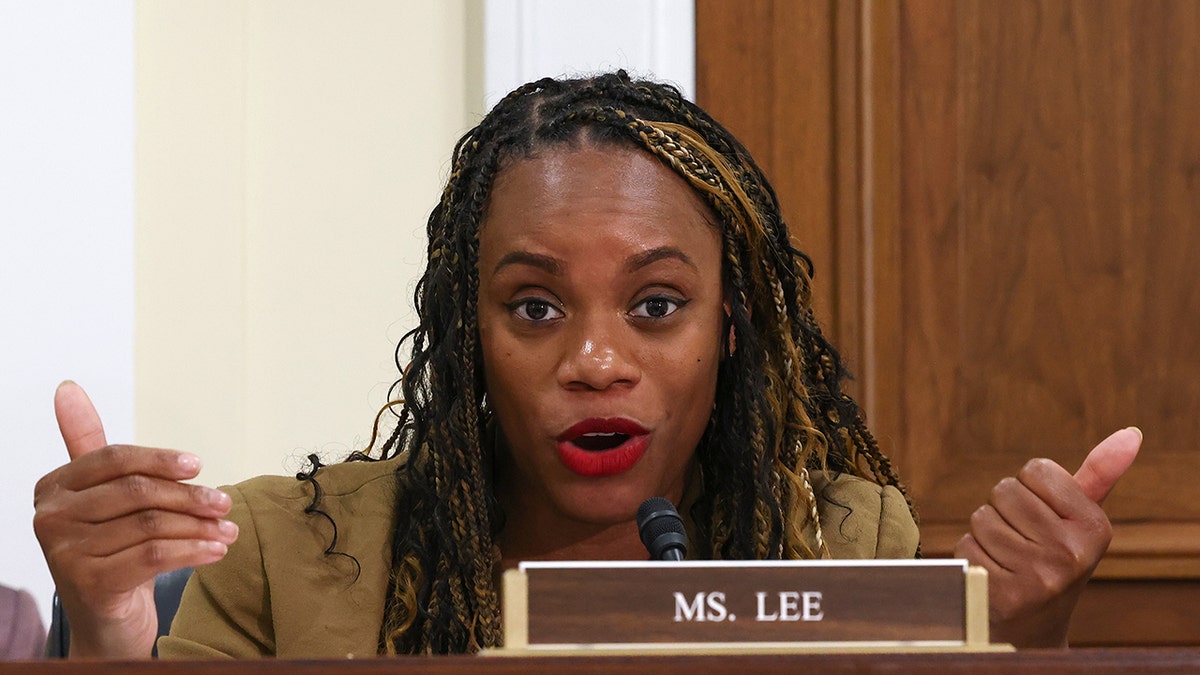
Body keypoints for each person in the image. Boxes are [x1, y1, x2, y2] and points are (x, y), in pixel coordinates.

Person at [32, 71, 1140, 658]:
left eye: (657, 305)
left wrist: (1027, 625)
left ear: (732, 327)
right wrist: (114, 634)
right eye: (534, 306)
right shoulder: (283, 549)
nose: (596, 360)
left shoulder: (838, 536)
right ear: (471, 331)